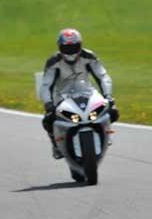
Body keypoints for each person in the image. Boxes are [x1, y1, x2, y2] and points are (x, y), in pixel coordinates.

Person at [40, 28, 118, 159]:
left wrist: (108, 95)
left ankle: (106, 133)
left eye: (74, 47)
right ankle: (55, 145)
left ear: (80, 45)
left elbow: (103, 76)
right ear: (60, 47)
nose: (70, 52)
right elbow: (46, 85)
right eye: (66, 48)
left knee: (113, 111)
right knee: (48, 120)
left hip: (88, 92)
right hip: (62, 96)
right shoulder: (53, 61)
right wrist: (48, 103)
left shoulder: (89, 56)